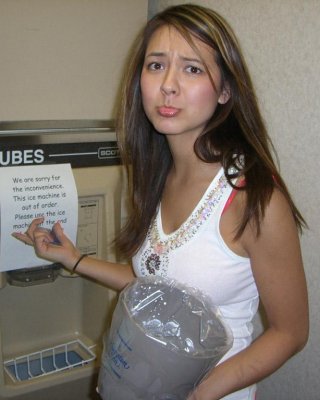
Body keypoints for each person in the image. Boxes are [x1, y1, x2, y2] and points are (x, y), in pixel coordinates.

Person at [12, 4, 309, 400]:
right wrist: (74, 259)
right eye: (156, 65)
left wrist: (199, 393)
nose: (168, 84)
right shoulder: (156, 173)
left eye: (192, 68)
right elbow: (157, 288)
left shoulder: (253, 200)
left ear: (224, 91)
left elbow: (291, 333)